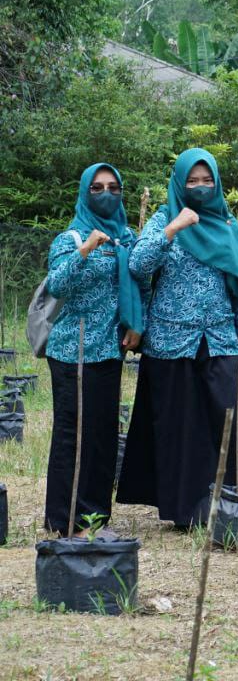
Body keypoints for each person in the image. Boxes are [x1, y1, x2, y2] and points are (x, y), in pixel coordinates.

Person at [118, 148, 238, 530]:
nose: (199, 187)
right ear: (180, 184)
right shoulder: (166, 217)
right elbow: (138, 264)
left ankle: (236, 502)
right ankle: (186, 511)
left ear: (216, 183)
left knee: (227, 415)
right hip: (170, 340)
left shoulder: (226, 225)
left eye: (206, 180)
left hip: (220, 338)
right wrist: (173, 228)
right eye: (191, 181)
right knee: (180, 425)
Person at [42, 163, 146, 536]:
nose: (106, 194)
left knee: (102, 433)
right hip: (72, 349)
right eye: (98, 188)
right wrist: (85, 250)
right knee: (73, 432)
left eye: (113, 187)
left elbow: (139, 283)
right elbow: (56, 285)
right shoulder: (69, 238)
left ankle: (95, 516)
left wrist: (137, 324)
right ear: (86, 193)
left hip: (108, 348)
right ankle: (63, 517)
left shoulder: (126, 238)